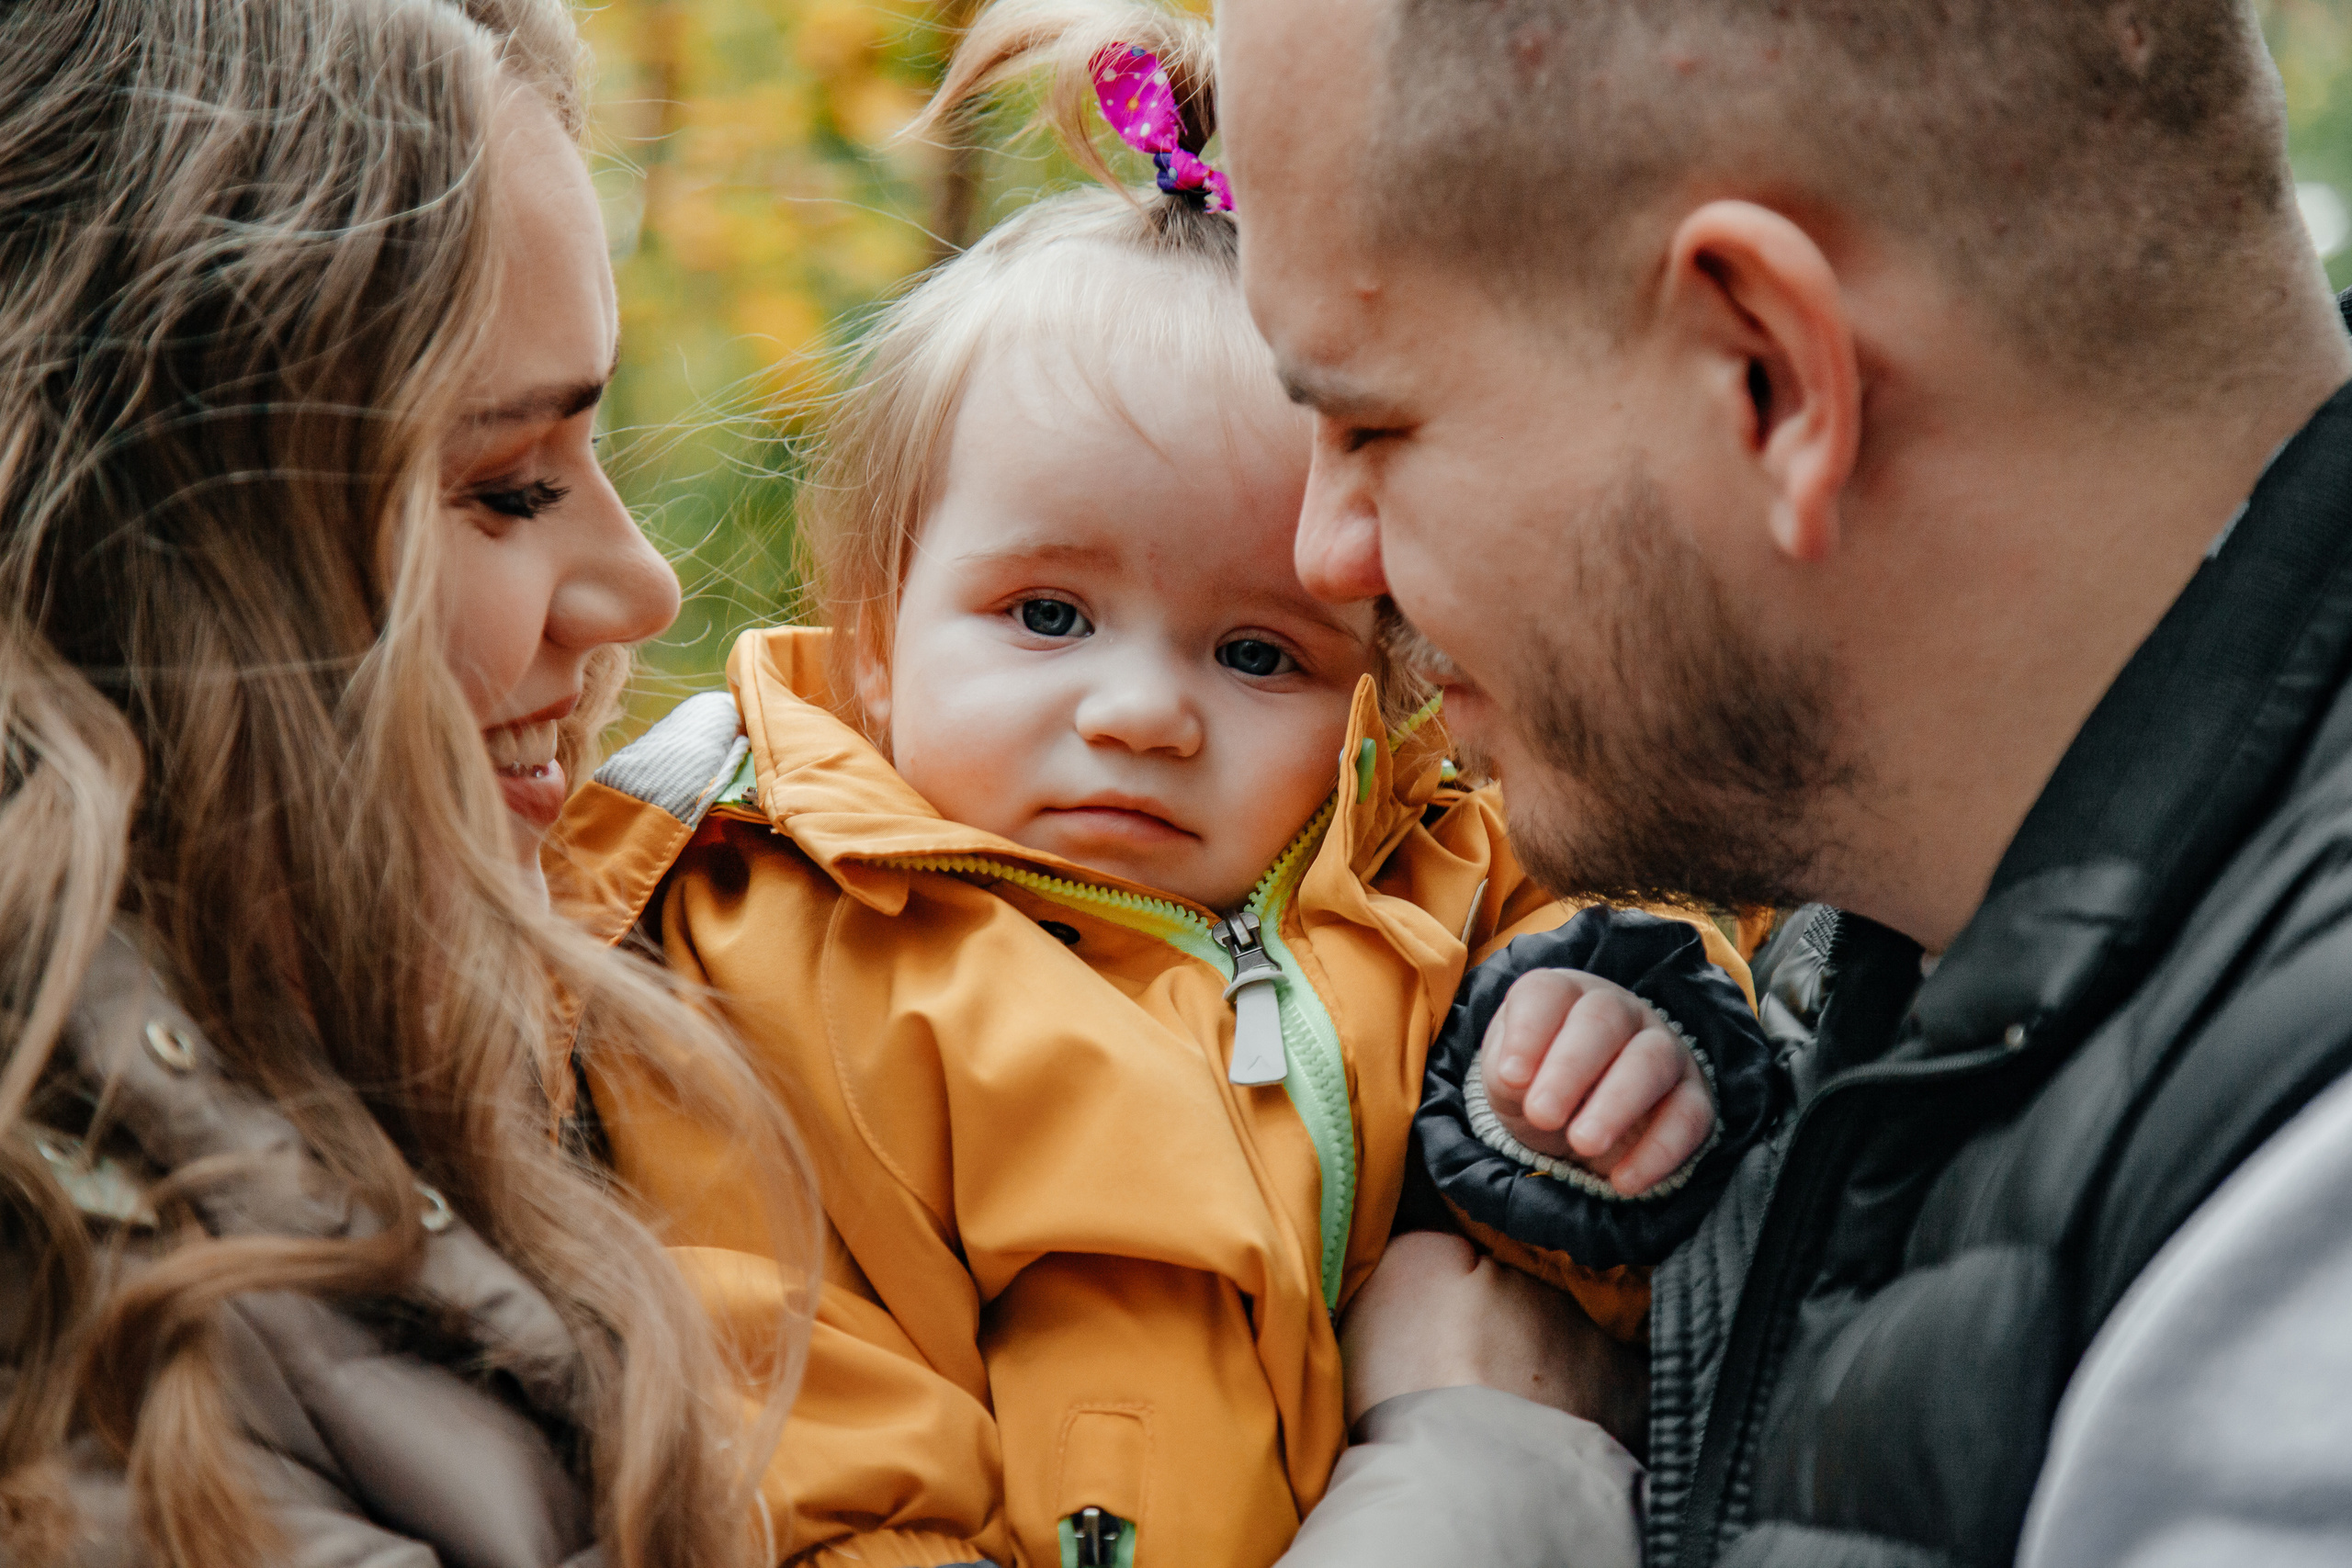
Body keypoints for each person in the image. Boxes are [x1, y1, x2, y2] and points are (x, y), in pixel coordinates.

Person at [541, 5, 1779, 1563]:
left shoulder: (1437, 879)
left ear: (1377, 686)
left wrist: (1608, 1075)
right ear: (874, 636)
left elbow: (1617, 1263)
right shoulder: (765, 955)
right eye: (1047, 616)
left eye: (1258, 654)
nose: (1140, 714)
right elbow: (789, 1435)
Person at [1213, 0, 2352, 1563]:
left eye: (1371, 420)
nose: (1324, 556)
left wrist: (1491, 1476)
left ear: (1769, 374)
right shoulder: (1891, 925)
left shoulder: (2303, 1246)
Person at [0, 3, 813, 1565]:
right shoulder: (116, 1356)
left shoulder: (373, 1100)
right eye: (508, 487)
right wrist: (1434, 1460)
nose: (642, 587)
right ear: (156, 556)